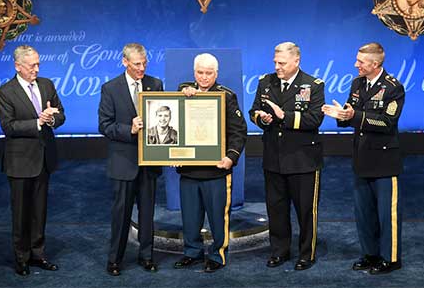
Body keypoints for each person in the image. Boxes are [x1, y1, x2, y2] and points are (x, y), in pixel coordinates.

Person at [322, 42, 405, 274]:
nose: (355, 64)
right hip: (361, 158)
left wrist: (354, 115)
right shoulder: (357, 83)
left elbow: (386, 123)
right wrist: (342, 116)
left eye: (360, 61)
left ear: (375, 63)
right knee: (364, 213)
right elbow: (353, 114)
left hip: (385, 162)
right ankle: (370, 254)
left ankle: (391, 258)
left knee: (387, 215)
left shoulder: (393, 88)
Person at [249, 42, 324, 271]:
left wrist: (284, 116)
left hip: (302, 160)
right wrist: (262, 118)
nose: (277, 67)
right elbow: (253, 112)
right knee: (276, 209)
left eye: (282, 63)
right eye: (275, 62)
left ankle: (306, 254)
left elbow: (314, 120)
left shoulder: (312, 85)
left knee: (305, 212)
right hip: (273, 157)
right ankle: (279, 251)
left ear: (296, 62)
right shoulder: (266, 82)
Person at [173, 53, 247, 273]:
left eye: (209, 73)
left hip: (216, 171)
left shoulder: (226, 96)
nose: (204, 78)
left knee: (217, 217)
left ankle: (217, 254)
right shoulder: (183, 92)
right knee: (190, 216)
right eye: (200, 72)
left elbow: (238, 131)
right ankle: (192, 252)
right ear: (194, 72)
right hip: (189, 169)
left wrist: (230, 157)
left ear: (217, 73)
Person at [0, 45, 65, 276]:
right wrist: (38, 122)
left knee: (39, 211)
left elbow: (61, 114)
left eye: (38, 64)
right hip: (20, 161)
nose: (37, 69)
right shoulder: (5, 92)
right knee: (21, 213)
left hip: (44, 159)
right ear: (18, 66)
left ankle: (38, 255)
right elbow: (9, 126)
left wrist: (52, 119)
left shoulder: (47, 85)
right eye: (32, 65)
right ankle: (22, 258)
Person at [98, 43, 163, 276]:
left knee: (147, 215)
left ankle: (147, 256)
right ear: (124, 62)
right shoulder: (110, 88)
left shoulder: (155, 84)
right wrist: (130, 130)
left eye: (145, 63)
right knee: (121, 215)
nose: (142, 68)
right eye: (137, 64)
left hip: (149, 162)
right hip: (123, 163)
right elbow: (104, 126)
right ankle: (114, 259)